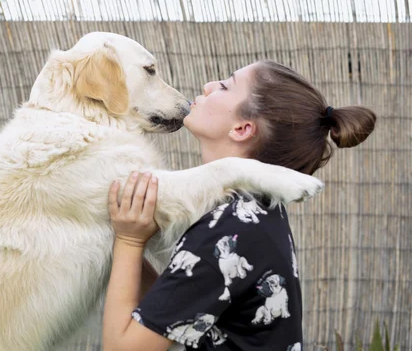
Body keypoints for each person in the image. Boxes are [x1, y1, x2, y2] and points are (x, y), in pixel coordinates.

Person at [102, 60, 376, 350]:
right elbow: (169, 313)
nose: (208, 86)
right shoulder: (255, 212)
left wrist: (129, 242)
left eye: (224, 85)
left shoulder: (226, 233)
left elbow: (122, 347)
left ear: (243, 128)